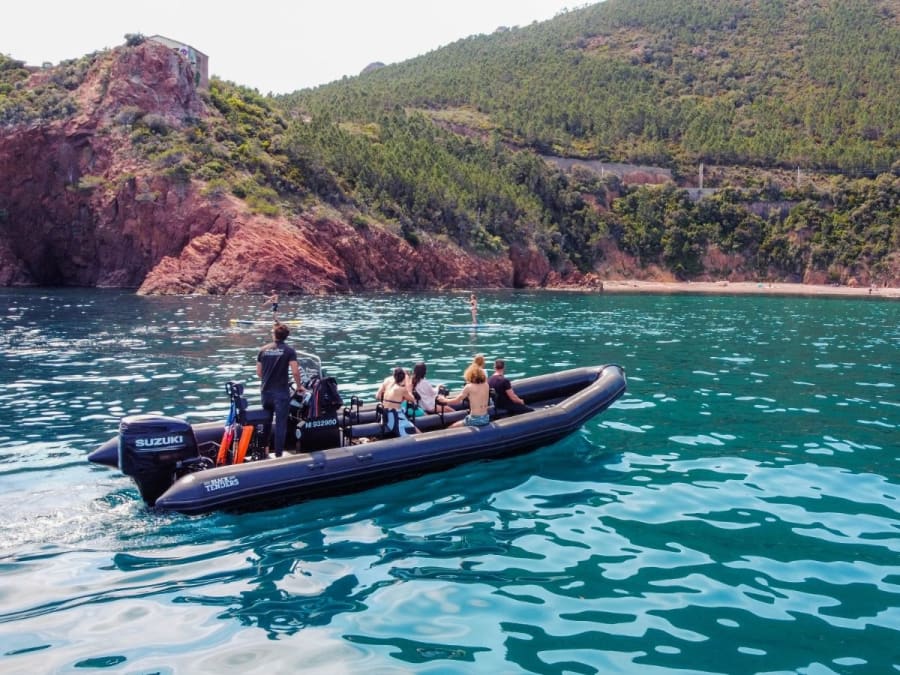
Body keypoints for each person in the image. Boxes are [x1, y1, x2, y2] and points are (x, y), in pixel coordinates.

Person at [256, 323, 304, 457]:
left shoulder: (263, 350)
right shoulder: (289, 351)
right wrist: (299, 386)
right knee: (281, 424)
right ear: (286, 337)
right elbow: (295, 371)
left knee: (266, 421)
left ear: (274, 334)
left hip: (265, 392)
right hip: (281, 393)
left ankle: (264, 451)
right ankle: (278, 455)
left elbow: (259, 372)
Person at [437, 361, 491, 428]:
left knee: (450, 428)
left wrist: (444, 400)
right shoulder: (486, 385)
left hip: (474, 420)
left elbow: (457, 401)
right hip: (486, 418)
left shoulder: (469, 387)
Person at [380, 367, 419, 435]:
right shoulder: (401, 389)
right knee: (417, 432)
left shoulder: (389, 386)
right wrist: (409, 388)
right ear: (403, 377)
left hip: (385, 417)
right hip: (395, 419)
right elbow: (412, 399)